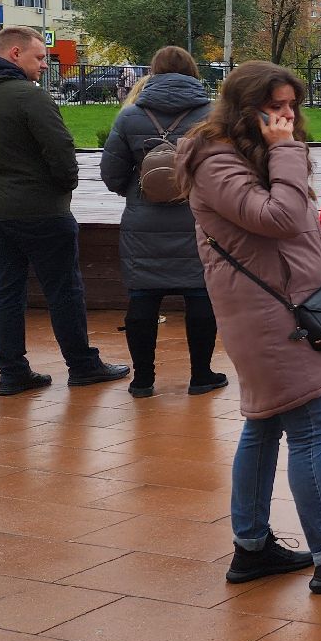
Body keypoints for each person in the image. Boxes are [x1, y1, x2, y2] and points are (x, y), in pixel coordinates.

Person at [181, 61, 321, 593]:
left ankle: (252, 547)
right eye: (273, 107)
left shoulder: (250, 155)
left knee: (263, 425)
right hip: (271, 317)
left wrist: (320, 244)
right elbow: (276, 218)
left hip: (284, 306)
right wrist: (286, 150)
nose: (285, 116)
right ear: (243, 109)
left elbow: (273, 229)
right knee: (310, 430)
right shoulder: (216, 160)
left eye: (290, 106)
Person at [0, 25, 127, 396]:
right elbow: (61, 152)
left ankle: (12, 372)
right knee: (63, 289)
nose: (45, 64)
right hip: (41, 211)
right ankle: (82, 365)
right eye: (40, 57)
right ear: (15, 53)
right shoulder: (29, 96)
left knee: (5, 291)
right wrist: (63, 188)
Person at [98, 45, 225, 398]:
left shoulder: (129, 117)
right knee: (201, 295)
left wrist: (140, 191)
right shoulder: (212, 116)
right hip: (198, 218)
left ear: (153, 72)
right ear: (193, 72)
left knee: (142, 297)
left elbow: (111, 174)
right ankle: (201, 376)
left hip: (143, 222)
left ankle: (143, 380)